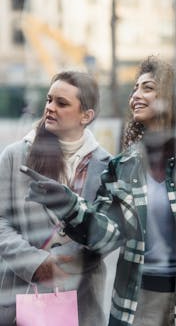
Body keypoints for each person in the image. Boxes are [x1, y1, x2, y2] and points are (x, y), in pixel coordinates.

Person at [22, 56, 176, 326]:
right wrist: (69, 205)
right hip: (138, 301)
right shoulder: (123, 167)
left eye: (148, 88)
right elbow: (108, 236)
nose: (136, 95)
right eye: (134, 89)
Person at [0, 70, 112, 326]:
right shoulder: (15, 155)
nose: (50, 107)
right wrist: (37, 263)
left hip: (80, 301)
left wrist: (65, 264)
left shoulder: (106, 166)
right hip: (20, 297)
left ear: (86, 116)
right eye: (49, 100)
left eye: (62, 103)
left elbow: (109, 232)